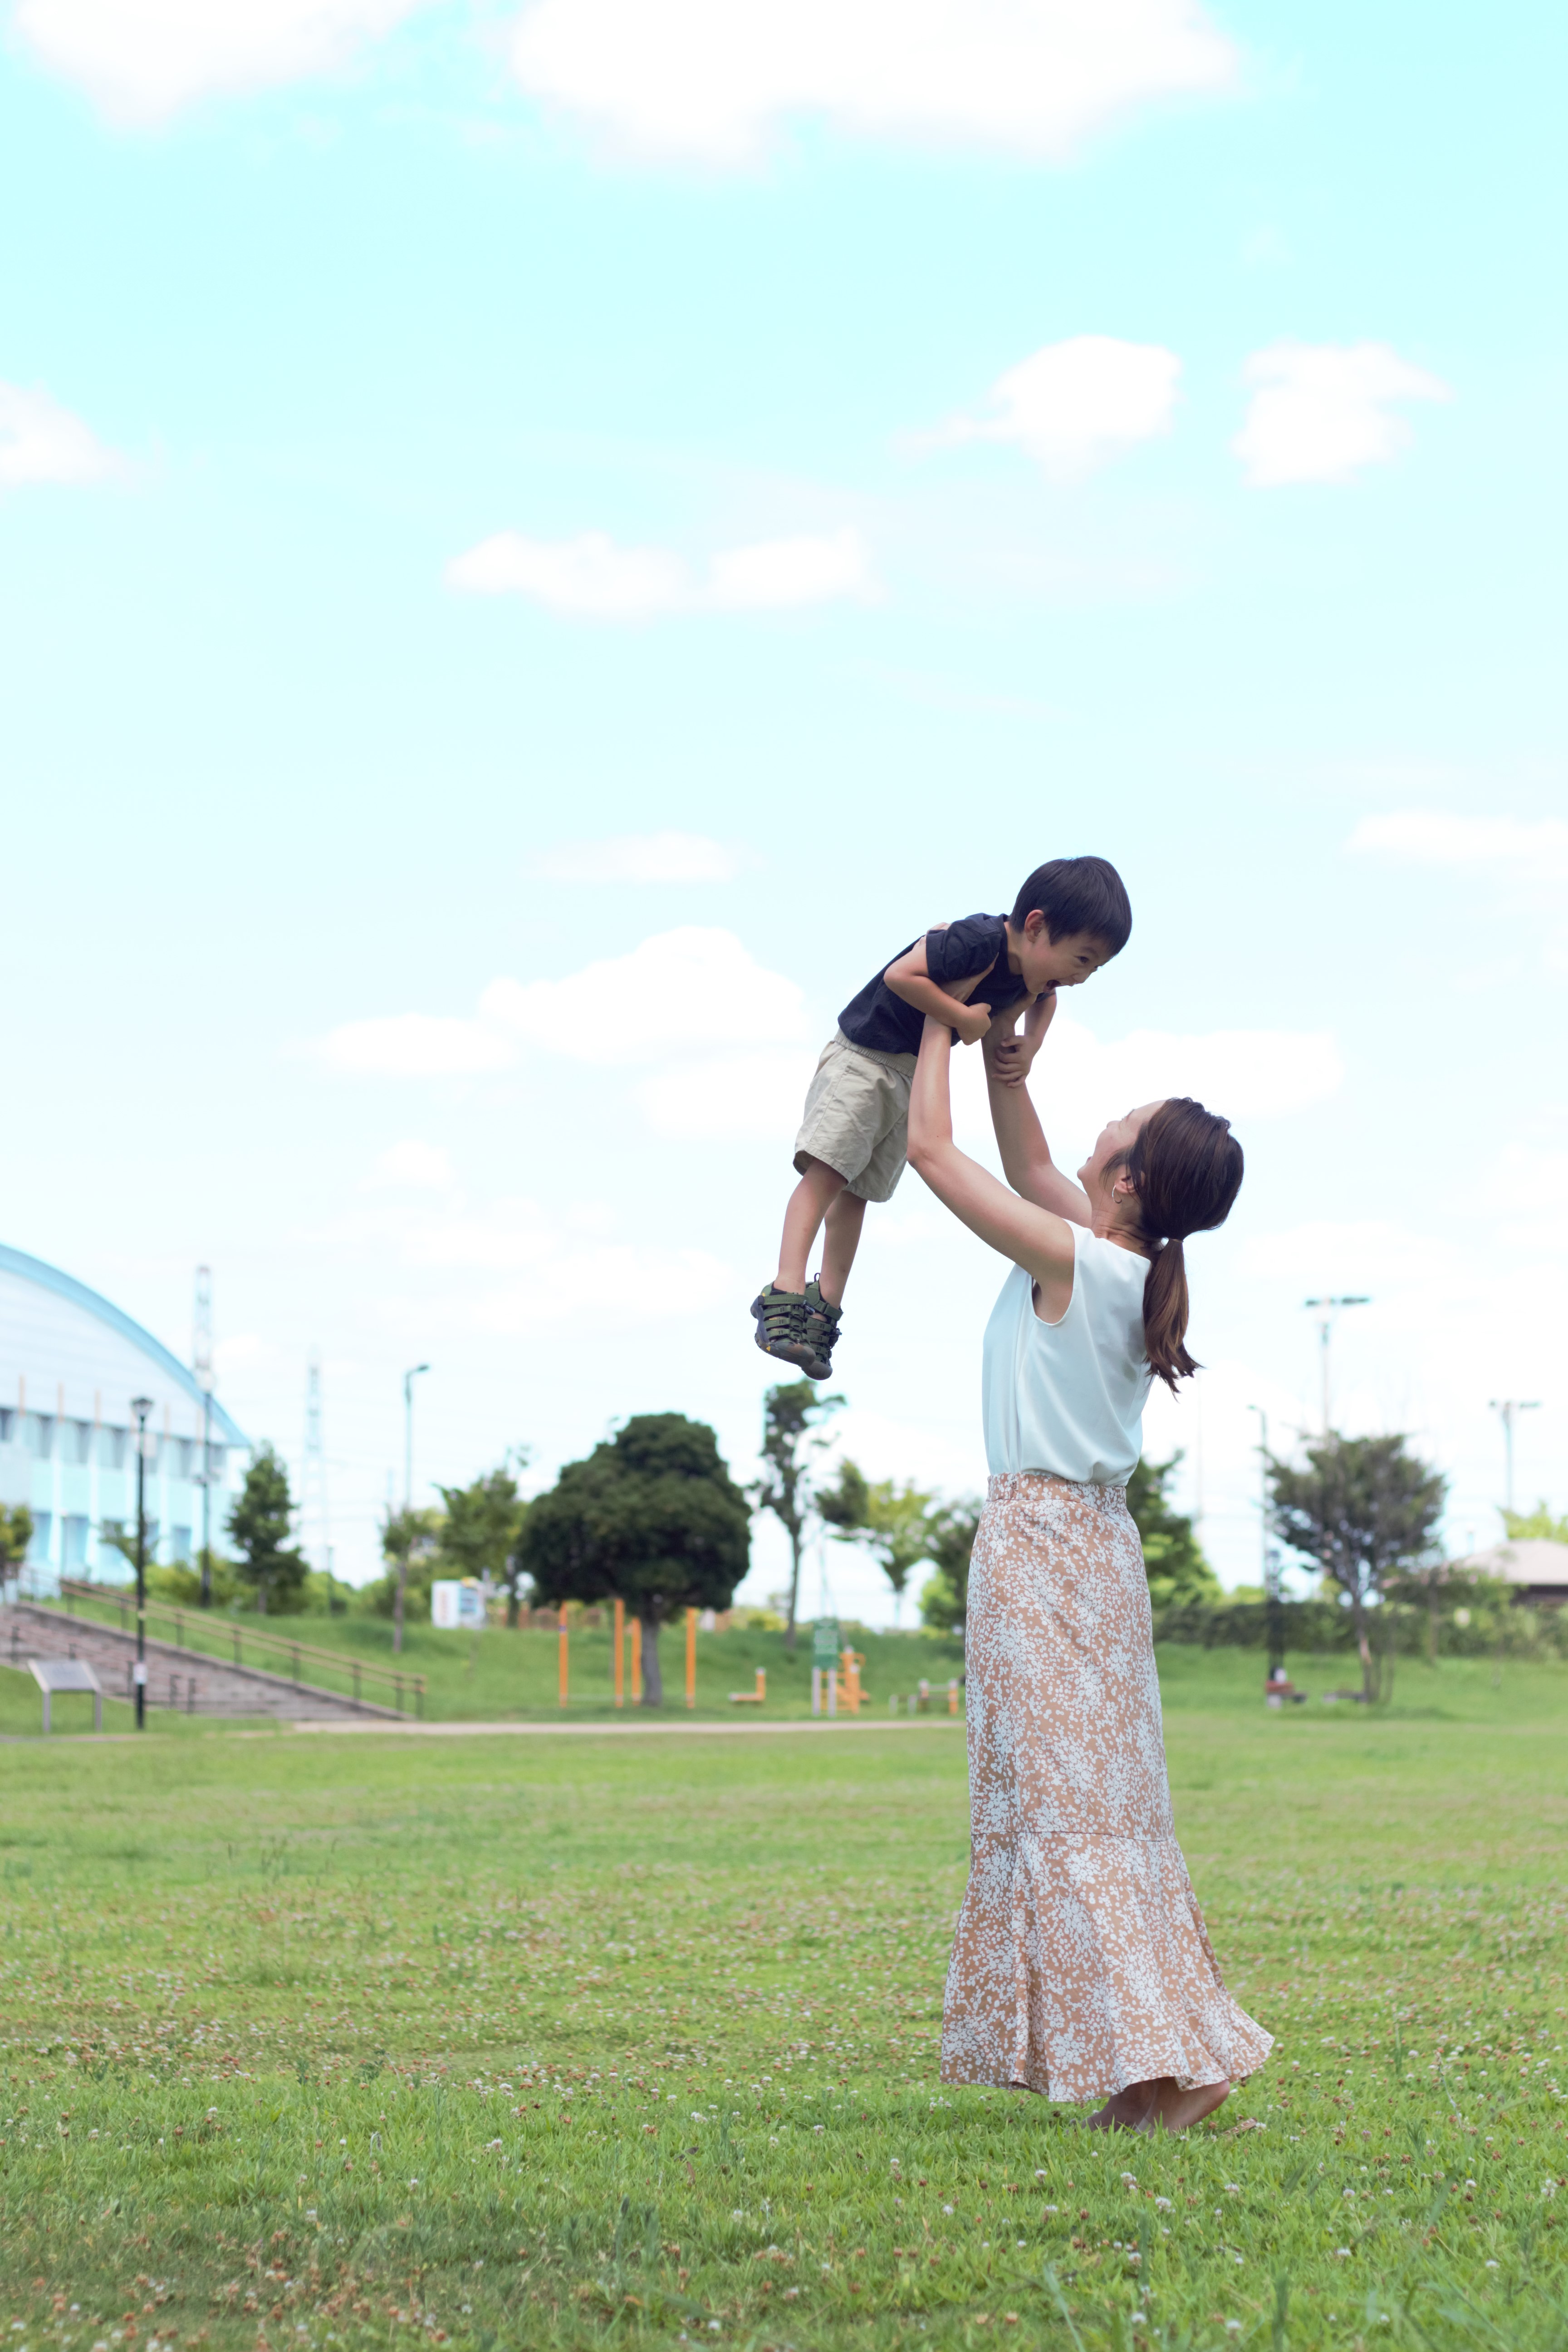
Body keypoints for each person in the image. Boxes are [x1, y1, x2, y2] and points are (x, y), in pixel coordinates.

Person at [906, 995, 1272, 2134]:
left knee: (1065, 1816)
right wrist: (1010, 1056)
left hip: (1039, 1548)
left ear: (1125, 1177)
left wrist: (926, 1021)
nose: (1109, 1114)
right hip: (1090, 1551)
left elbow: (930, 1151)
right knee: (1098, 1811)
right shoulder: (1113, 1259)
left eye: (1128, 1116)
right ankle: (1161, 2062)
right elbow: (1021, 1151)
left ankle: (1170, 2068)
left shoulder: (1075, 1255)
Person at [751, 856, 1132, 1382]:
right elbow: (901, 975)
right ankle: (785, 1289)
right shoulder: (978, 940)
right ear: (1038, 925)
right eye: (1083, 958)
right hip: (865, 1057)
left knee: (858, 1193)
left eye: (1094, 968)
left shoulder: (1040, 975)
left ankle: (824, 1310)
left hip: (908, 1074)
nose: (1082, 976)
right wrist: (961, 1018)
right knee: (826, 1174)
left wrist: (1033, 1046)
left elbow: (1045, 1002)